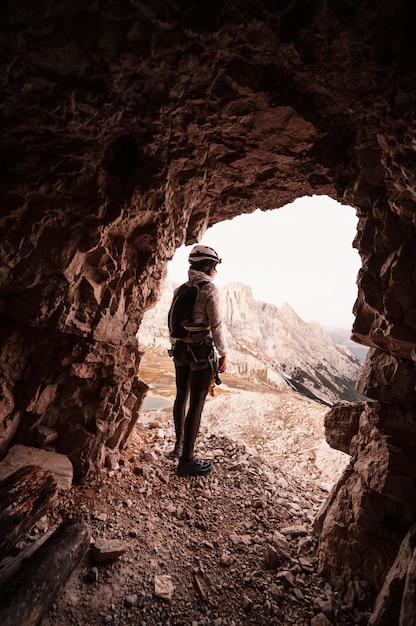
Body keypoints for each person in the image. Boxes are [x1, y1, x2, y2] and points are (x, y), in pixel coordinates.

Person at [169, 244, 228, 476]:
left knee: (180, 397)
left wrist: (175, 346)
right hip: (201, 353)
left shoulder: (181, 289)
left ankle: (178, 445)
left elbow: (173, 322)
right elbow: (216, 325)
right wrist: (224, 353)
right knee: (196, 405)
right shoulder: (210, 290)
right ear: (209, 266)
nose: (216, 271)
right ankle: (187, 461)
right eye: (215, 266)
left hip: (181, 350)